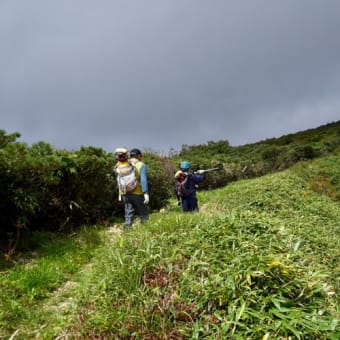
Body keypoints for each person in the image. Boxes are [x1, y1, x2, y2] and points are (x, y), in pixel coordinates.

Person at [114, 147, 149, 230]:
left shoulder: (122, 163)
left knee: (128, 212)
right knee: (143, 211)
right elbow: (143, 179)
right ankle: (146, 230)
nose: (141, 158)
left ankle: (127, 230)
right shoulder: (141, 164)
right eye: (141, 156)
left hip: (125, 192)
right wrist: (146, 193)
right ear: (139, 156)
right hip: (137, 192)